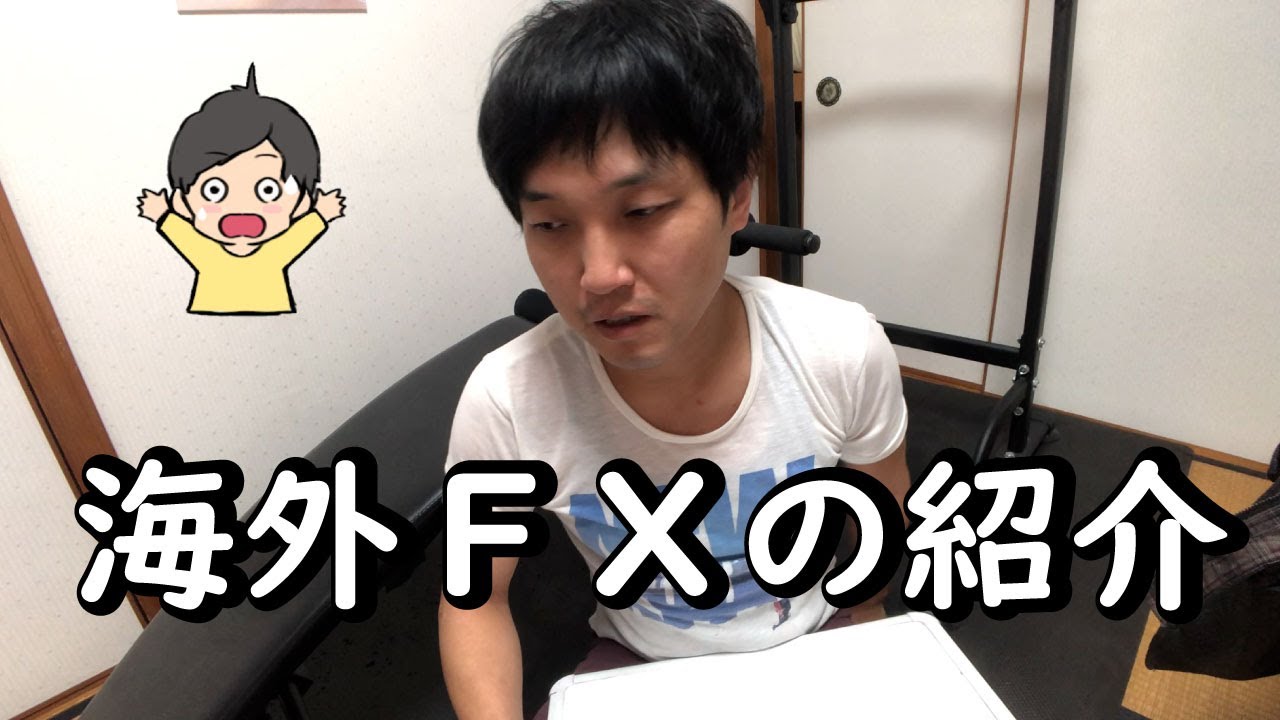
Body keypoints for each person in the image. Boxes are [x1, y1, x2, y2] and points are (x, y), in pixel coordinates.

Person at [439, 1, 912, 717]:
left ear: (736, 196)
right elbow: (476, 600)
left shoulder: (840, 349)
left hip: (812, 638)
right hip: (641, 664)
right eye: (552, 223)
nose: (598, 276)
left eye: (643, 211)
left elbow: (882, 523)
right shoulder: (507, 399)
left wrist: (865, 632)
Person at [136, 64, 345, 315]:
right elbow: (180, 233)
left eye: (269, 190)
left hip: (273, 314)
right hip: (209, 315)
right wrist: (161, 214)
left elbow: (301, 235)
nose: (241, 209)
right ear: (182, 202)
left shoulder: (272, 253)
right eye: (214, 191)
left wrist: (321, 214)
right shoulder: (207, 253)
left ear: (302, 203)